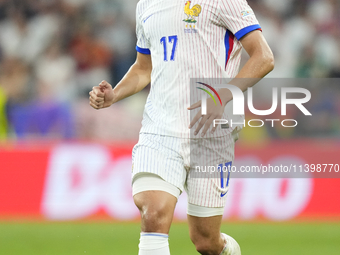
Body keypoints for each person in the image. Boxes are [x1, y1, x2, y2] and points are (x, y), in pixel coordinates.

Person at [89, 0, 274, 254]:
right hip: (160, 129)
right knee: (153, 214)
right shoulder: (146, 5)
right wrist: (114, 95)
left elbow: (264, 57)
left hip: (211, 133)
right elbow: (144, 68)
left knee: (206, 242)